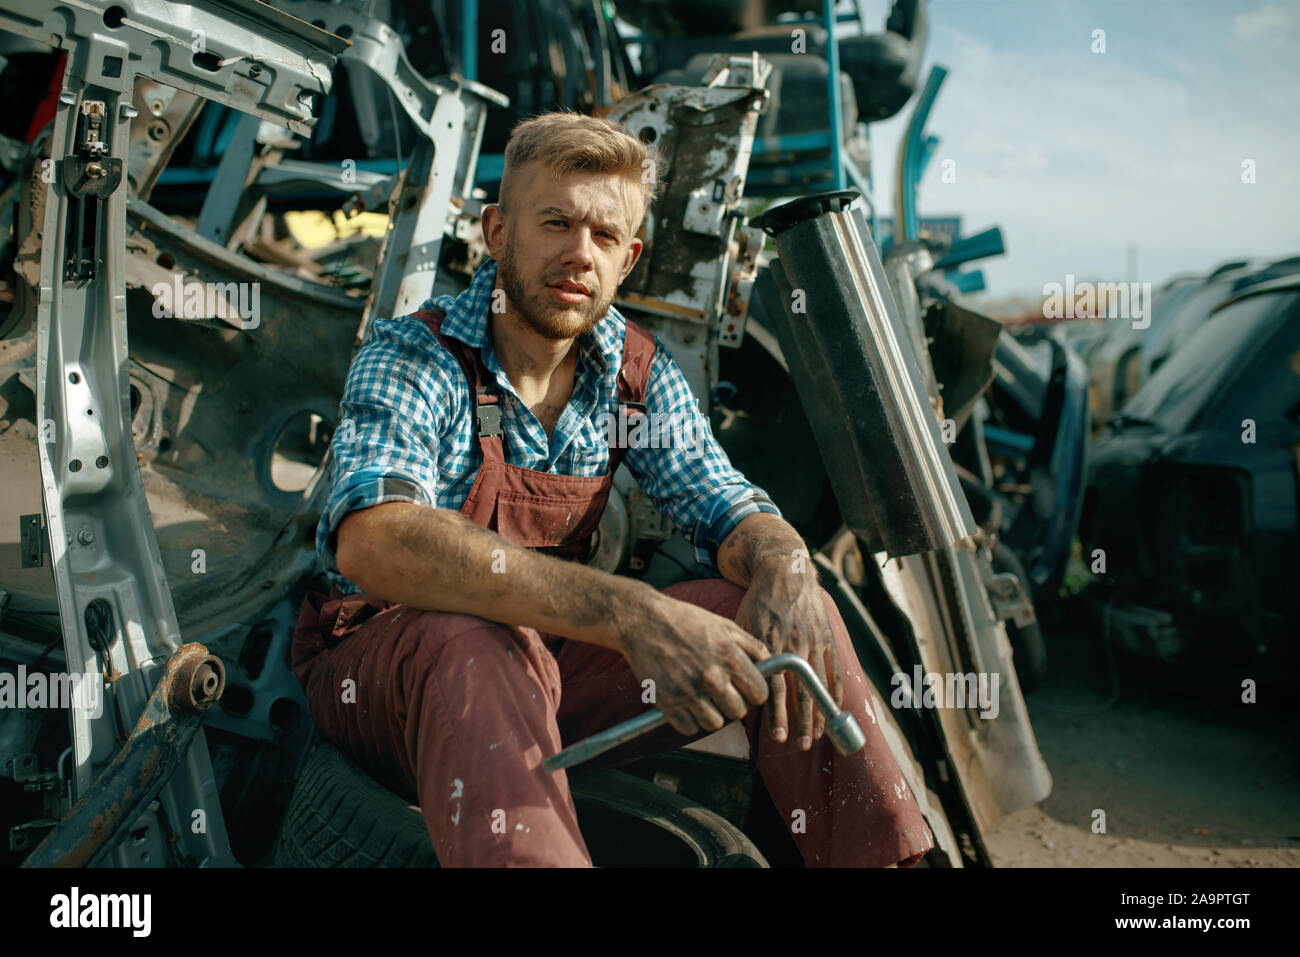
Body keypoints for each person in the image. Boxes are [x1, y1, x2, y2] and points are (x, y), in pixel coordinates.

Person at [291, 110, 934, 867]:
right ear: (497, 232)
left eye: (603, 237)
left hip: (540, 665)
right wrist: (630, 612)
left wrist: (785, 560)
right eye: (555, 222)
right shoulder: (416, 355)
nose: (578, 254)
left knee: (795, 617)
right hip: (385, 671)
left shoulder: (631, 374)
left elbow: (723, 500)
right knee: (476, 638)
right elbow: (378, 537)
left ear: (628, 259)